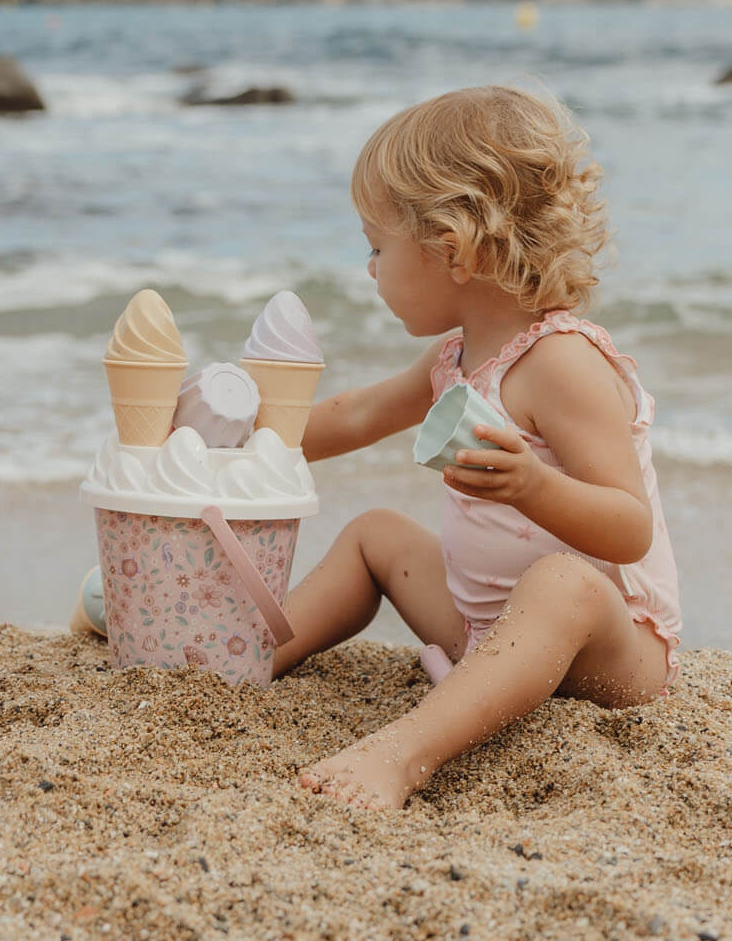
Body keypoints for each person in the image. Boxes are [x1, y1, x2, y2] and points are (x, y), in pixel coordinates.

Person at [274, 86, 681, 809]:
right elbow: (360, 413)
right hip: (484, 629)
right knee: (375, 534)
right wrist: (251, 435)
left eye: (377, 246)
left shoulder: (561, 361)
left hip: (608, 651)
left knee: (562, 581)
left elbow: (628, 525)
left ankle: (403, 754)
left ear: (452, 251)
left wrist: (533, 486)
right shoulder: (454, 357)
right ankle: (253, 658)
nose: (369, 268)